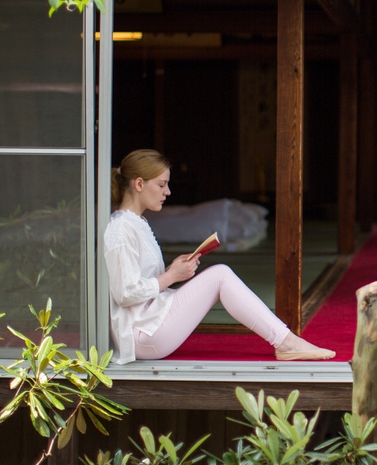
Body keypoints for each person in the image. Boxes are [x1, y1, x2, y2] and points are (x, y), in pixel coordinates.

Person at [103, 149, 335, 365]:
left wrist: (174, 270)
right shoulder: (121, 228)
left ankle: (286, 341)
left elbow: (142, 282)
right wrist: (172, 276)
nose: (168, 192)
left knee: (220, 275)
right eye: (162, 185)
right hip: (142, 335)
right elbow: (125, 293)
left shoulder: (137, 223)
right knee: (220, 275)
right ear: (139, 184)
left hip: (150, 323)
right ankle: (286, 342)